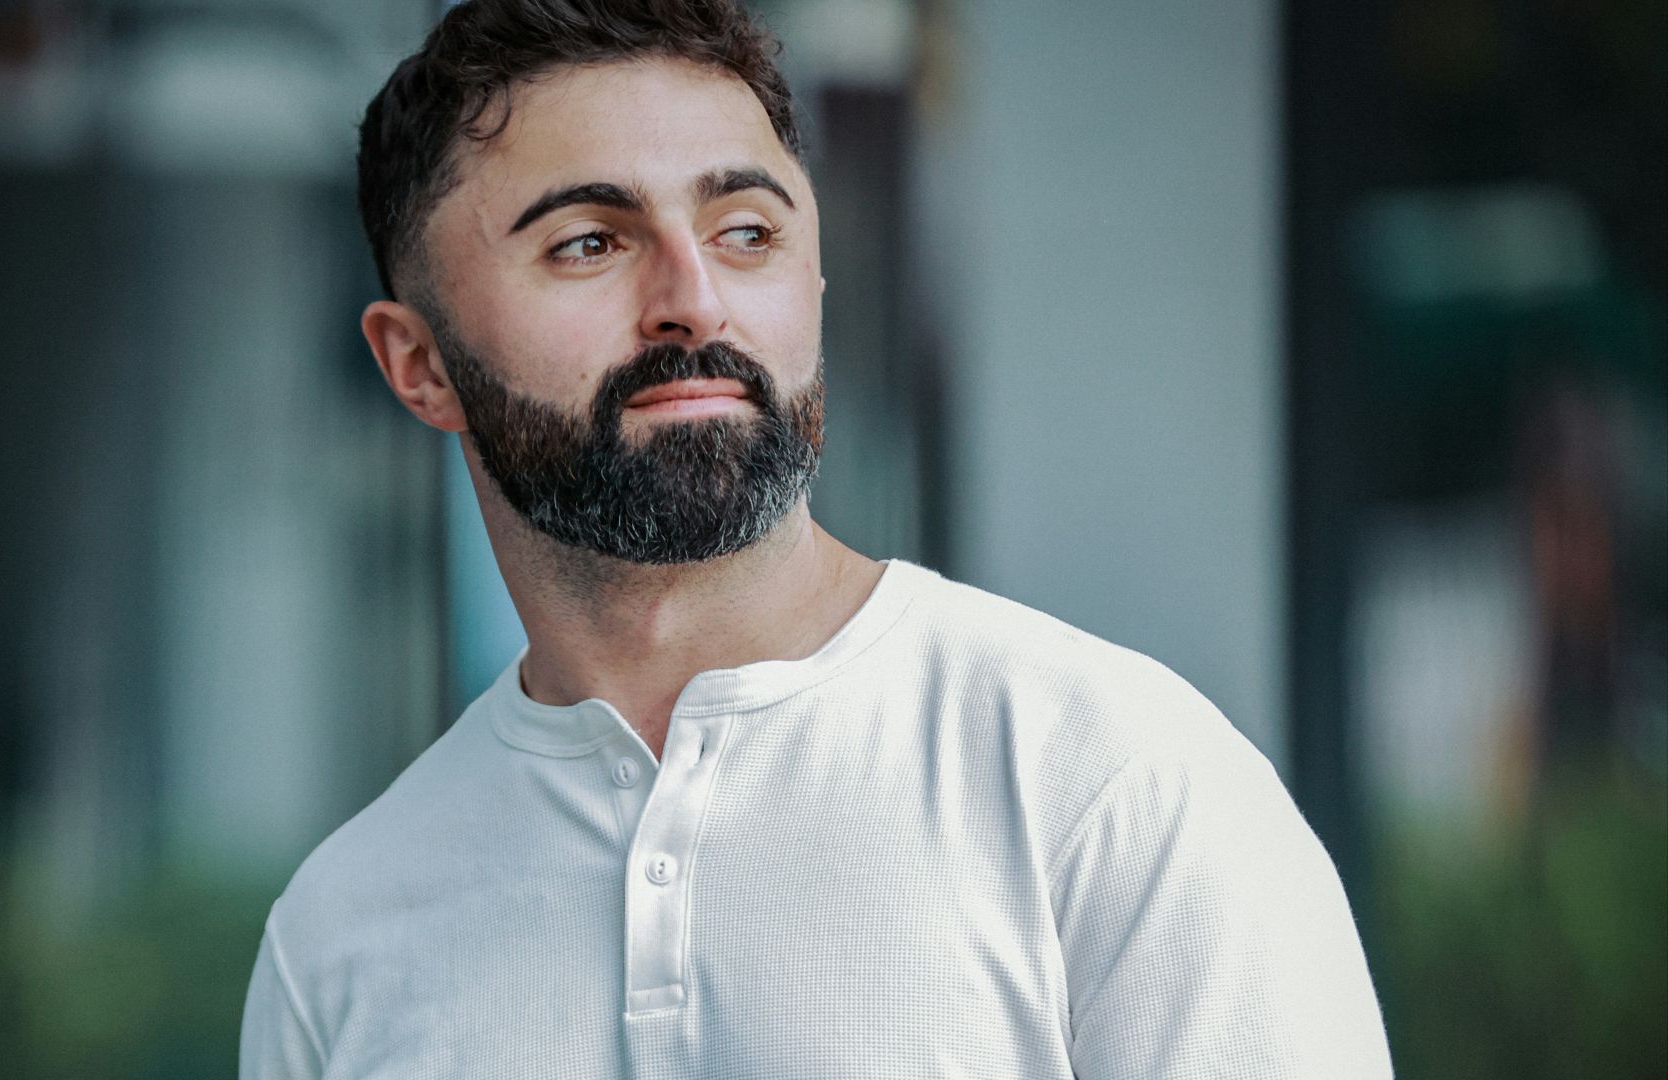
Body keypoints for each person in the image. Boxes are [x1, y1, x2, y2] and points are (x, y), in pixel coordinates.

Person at [239, 0, 1392, 1076]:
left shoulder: (1112, 789)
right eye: (589, 243)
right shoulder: (339, 936)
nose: (694, 298)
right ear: (418, 364)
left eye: (747, 230)